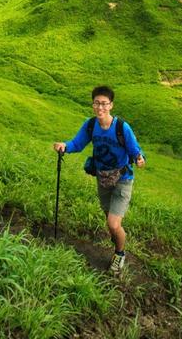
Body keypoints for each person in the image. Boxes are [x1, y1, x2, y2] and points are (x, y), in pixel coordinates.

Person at [53, 85, 145, 274]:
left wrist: (139, 158)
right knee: (109, 218)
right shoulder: (90, 125)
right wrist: (65, 146)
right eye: (97, 103)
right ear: (93, 104)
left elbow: (135, 149)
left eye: (104, 104)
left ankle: (119, 254)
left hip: (122, 178)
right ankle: (117, 238)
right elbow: (77, 143)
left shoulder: (121, 128)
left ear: (111, 105)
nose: (100, 107)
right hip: (102, 178)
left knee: (113, 223)